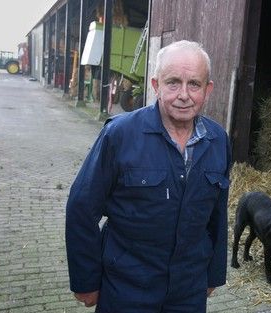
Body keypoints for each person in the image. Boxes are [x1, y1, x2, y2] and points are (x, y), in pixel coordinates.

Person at [65, 40, 231, 313]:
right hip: (127, 288)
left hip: (188, 291)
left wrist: (213, 274)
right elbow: (81, 208)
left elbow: (217, 215)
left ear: (207, 89)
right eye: (173, 82)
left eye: (194, 84)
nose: (184, 95)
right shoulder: (119, 134)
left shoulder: (217, 141)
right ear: (156, 86)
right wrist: (86, 281)